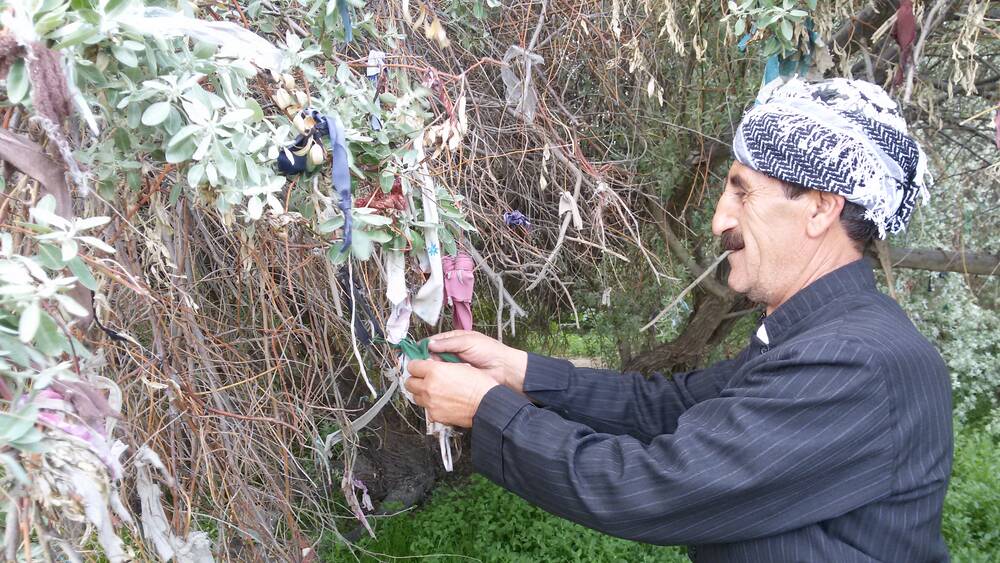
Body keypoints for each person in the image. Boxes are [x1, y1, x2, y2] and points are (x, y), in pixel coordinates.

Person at [403, 78, 952, 562]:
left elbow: (654, 485)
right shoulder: (816, 336)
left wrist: (487, 408)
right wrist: (518, 369)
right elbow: (668, 407)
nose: (719, 220)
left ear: (819, 208)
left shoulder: (854, 363)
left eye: (742, 192)